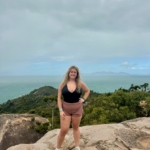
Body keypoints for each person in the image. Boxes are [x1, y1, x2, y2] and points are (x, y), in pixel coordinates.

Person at [55, 66, 90, 150]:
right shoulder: (63, 84)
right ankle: (58, 148)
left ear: (77, 74)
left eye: (75, 72)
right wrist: (60, 110)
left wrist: (84, 99)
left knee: (75, 128)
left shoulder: (80, 83)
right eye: (71, 72)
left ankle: (77, 146)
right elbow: (59, 98)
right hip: (65, 109)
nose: (73, 73)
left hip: (77, 109)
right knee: (64, 130)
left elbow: (87, 91)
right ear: (68, 73)